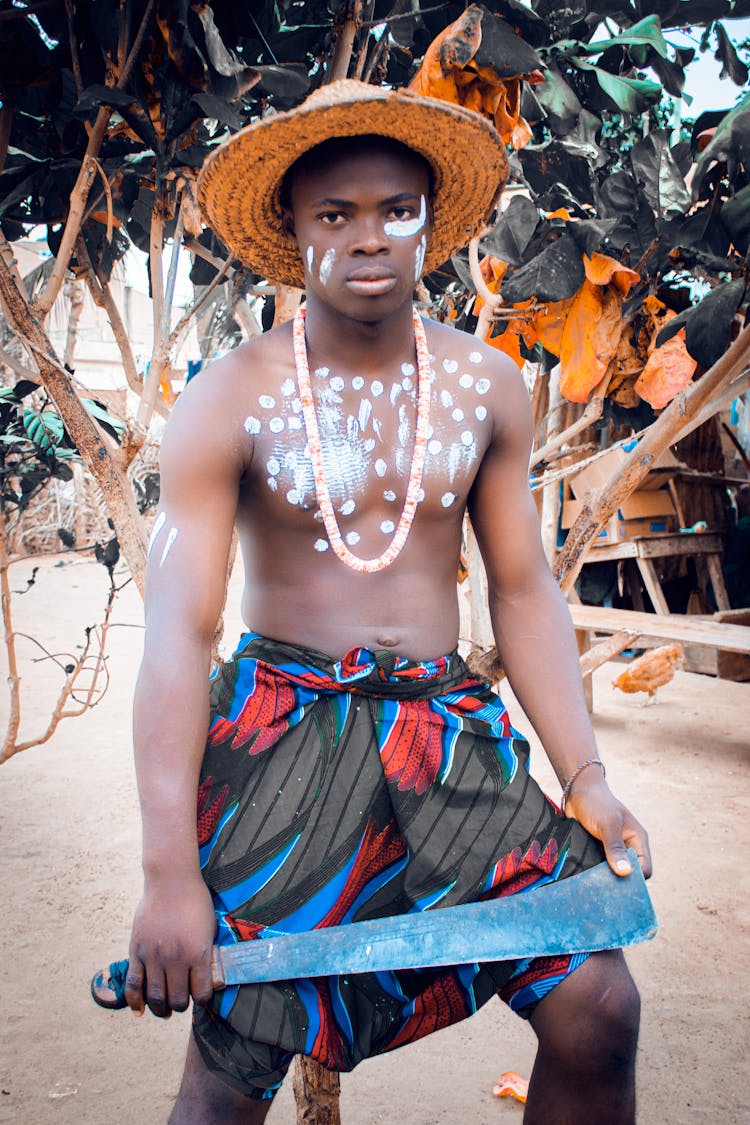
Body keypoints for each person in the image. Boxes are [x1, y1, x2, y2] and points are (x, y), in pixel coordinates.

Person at [122, 80, 651, 1123]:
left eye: (394, 210)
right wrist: (166, 874)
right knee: (233, 1070)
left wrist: (584, 774)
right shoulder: (232, 393)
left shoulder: (486, 383)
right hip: (283, 744)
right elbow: (179, 636)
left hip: (449, 733)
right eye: (335, 215)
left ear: (429, 226)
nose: (369, 238)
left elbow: (520, 588)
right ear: (292, 229)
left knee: (598, 1002)